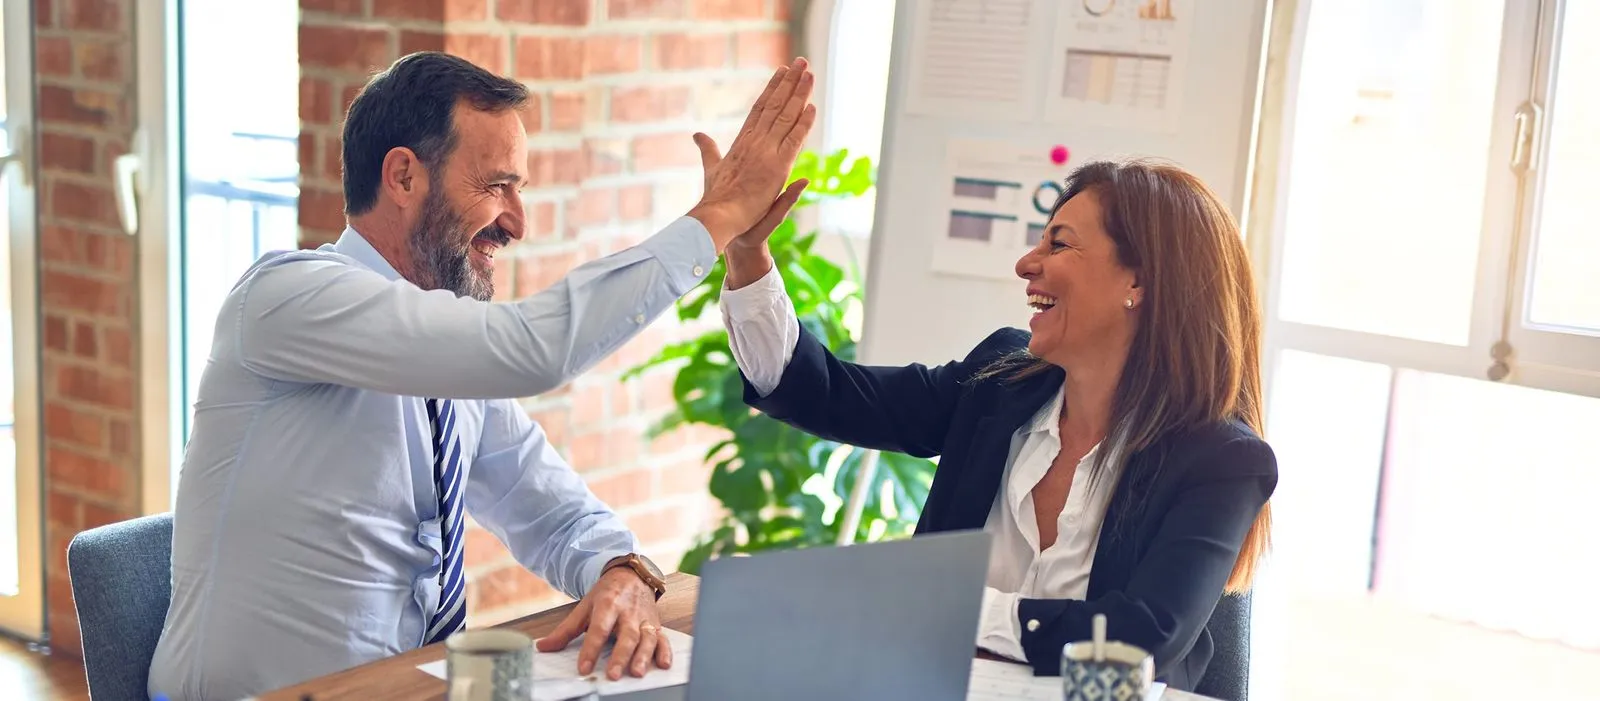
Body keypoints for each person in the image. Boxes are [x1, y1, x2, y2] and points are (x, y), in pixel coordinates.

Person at [148, 51, 816, 701]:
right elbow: (532, 350)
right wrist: (718, 218)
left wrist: (623, 569)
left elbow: (552, 510)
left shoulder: (447, 358)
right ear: (403, 177)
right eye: (496, 186)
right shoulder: (287, 298)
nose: (517, 222)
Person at [719, 159, 1277, 692]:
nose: (1026, 264)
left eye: (1059, 244)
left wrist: (951, 607)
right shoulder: (999, 382)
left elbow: (1140, 641)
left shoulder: (1222, 461)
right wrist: (747, 253)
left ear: (1139, 282)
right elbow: (825, 394)